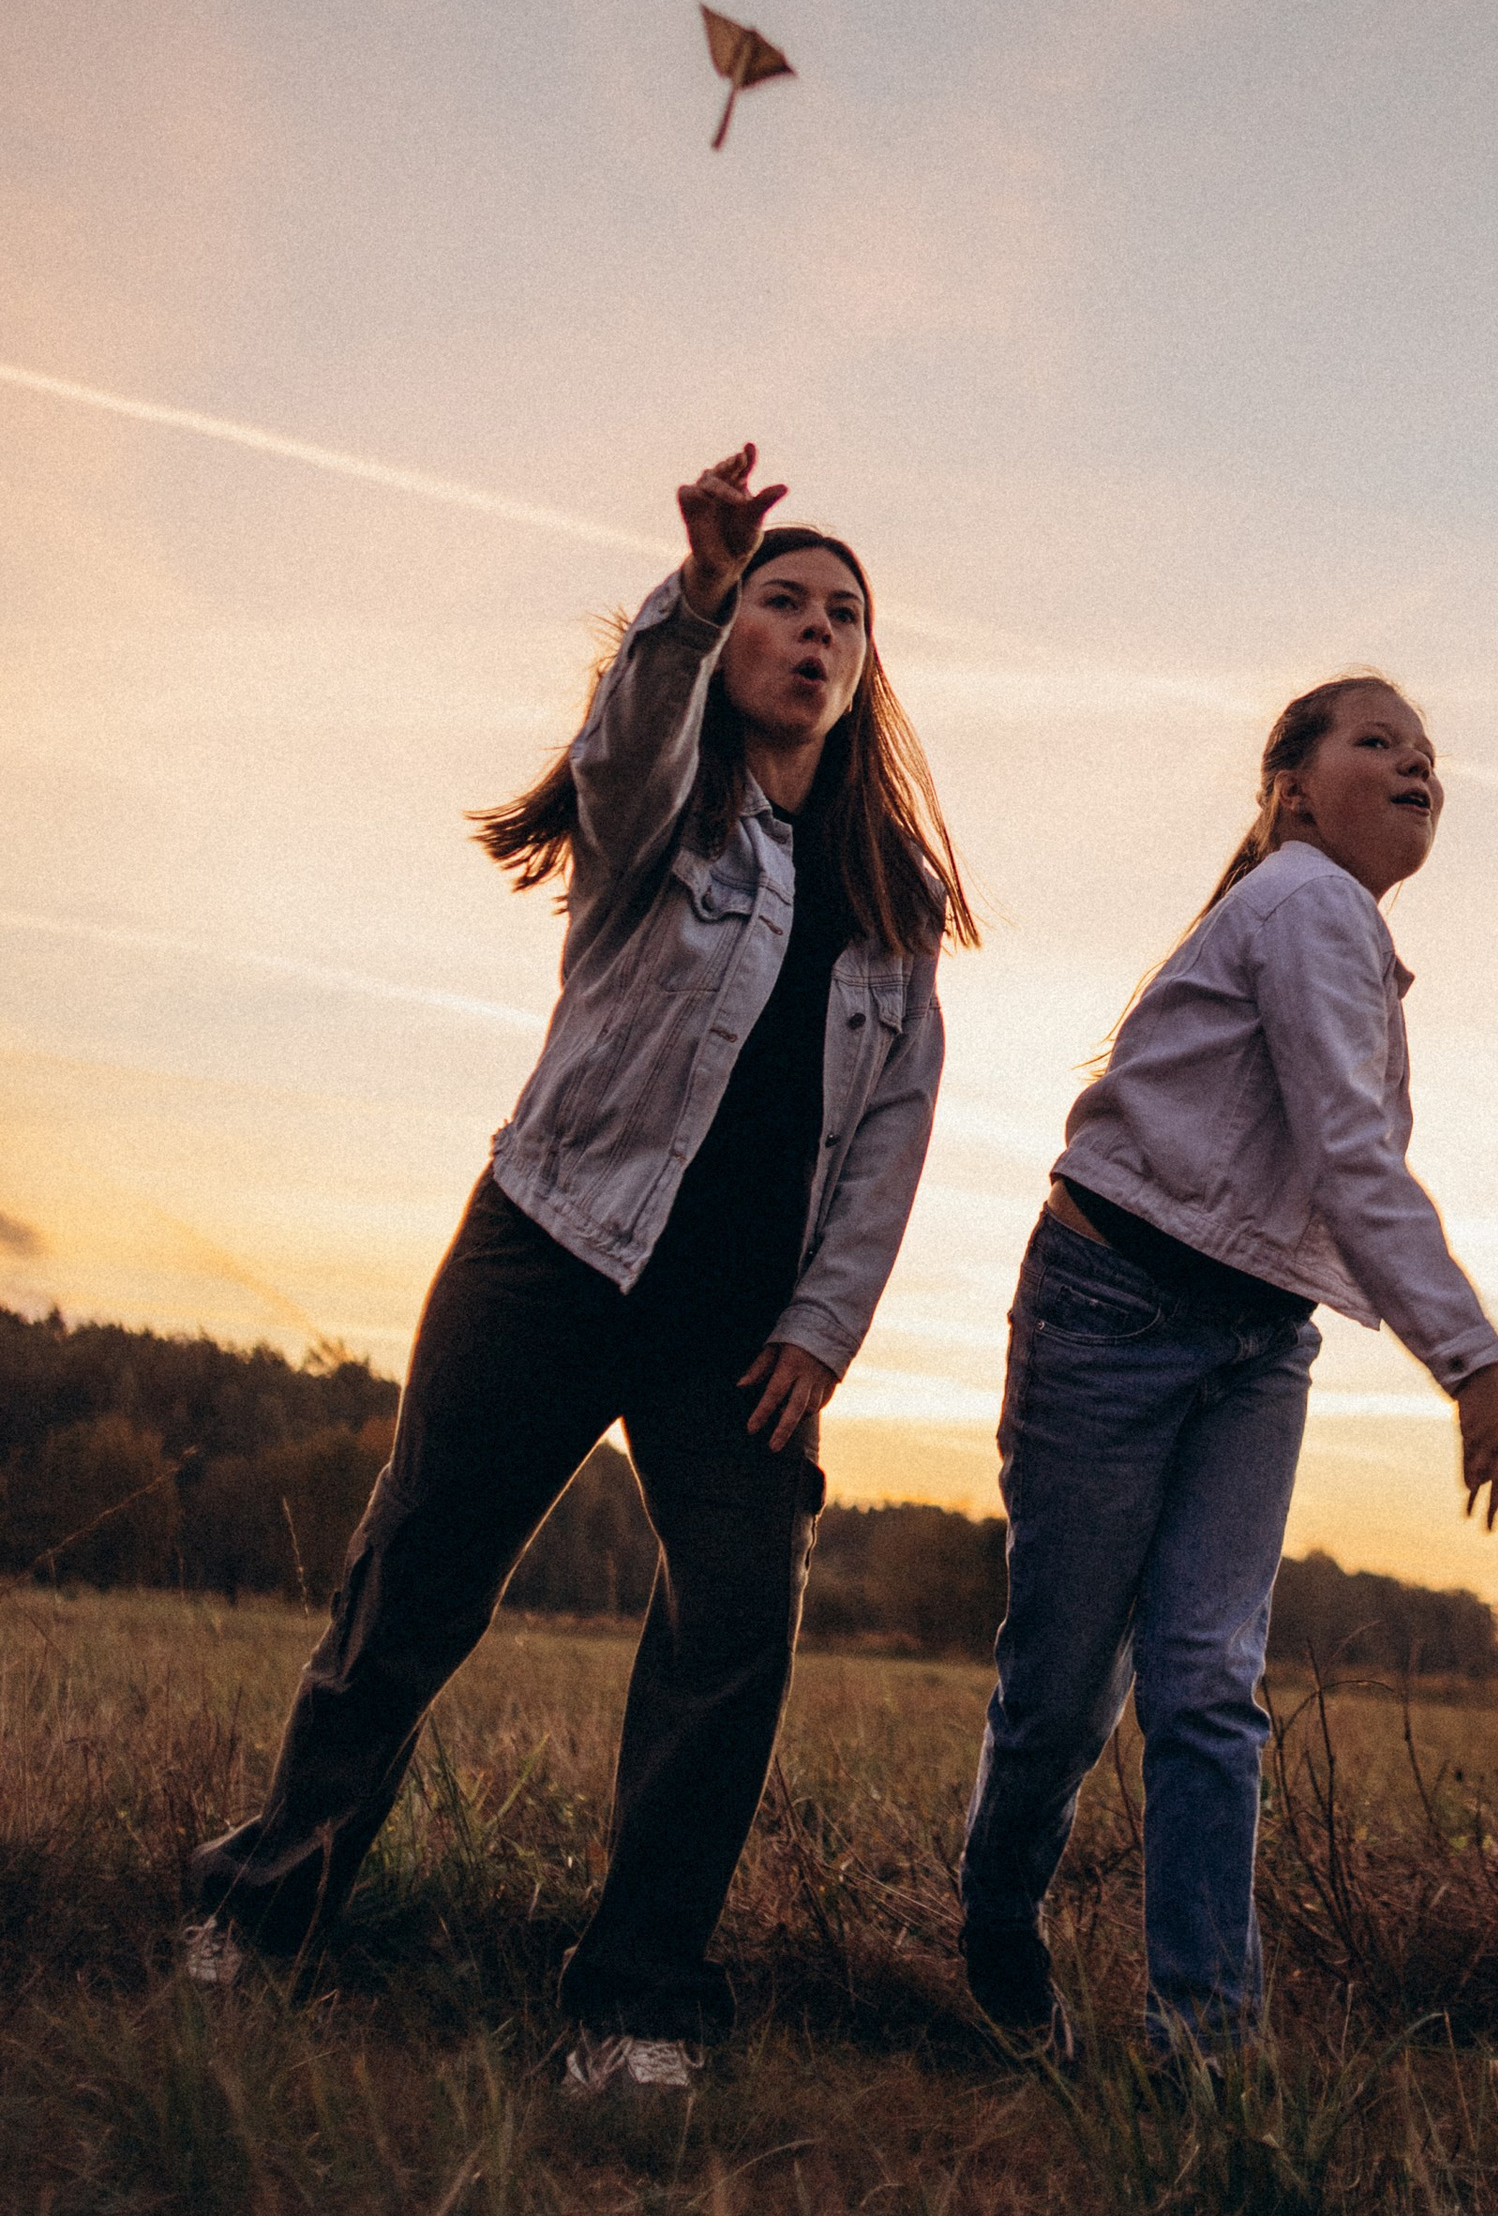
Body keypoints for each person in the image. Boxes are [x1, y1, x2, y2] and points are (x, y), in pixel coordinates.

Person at [187, 446, 975, 2093]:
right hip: (547, 1255)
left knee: (737, 1624)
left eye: (847, 615)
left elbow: (891, 1145)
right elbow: (621, 745)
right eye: (785, 602)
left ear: (866, 671)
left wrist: (824, 1333)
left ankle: (634, 2002)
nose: (816, 631)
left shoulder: (890, 909)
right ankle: (269, 1910)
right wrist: (686, 595)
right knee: (416, 1585)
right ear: (733, 632)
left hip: (739, 1339)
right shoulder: (656, 813)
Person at [958, 674, 1498, 2059]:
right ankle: (993, 1915)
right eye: (1376, 740)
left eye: (1427, 751)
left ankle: (1202, 2042)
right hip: (1114, 1309)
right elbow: (1350, 1157)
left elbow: (1329, 1174)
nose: (1414, 763)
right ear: (1288, 792)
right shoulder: (1304, 900)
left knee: (1208, 1680)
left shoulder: (1341, 932)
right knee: (1067, 1685)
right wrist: (1470, 1355)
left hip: (1258, 1344)